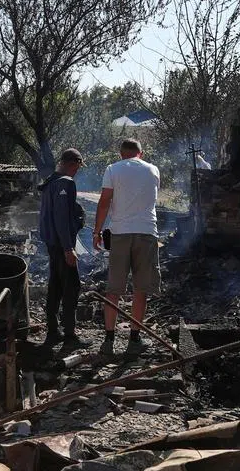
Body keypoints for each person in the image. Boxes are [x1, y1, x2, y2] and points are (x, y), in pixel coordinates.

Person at [93, 138, 160, 358]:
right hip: (147, 232)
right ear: (141, 153)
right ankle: (134, 340)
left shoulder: (113, 169)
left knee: (114, 289)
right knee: (141, 289)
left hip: (120, 233)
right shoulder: (153, 170)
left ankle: (109, 341)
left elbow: (104, 202)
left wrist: (97, 232)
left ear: (121, 154)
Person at [37, 148, 87, 349]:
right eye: (77, 167)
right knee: (71, 286)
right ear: (73, 163)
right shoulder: (65, 183)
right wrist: (68, 248)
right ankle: (70, 335)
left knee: (55, 285)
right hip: (61, 245)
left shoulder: (50, 182)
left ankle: (53, 331)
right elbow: (61, 217)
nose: (77, 171)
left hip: (51, 243)